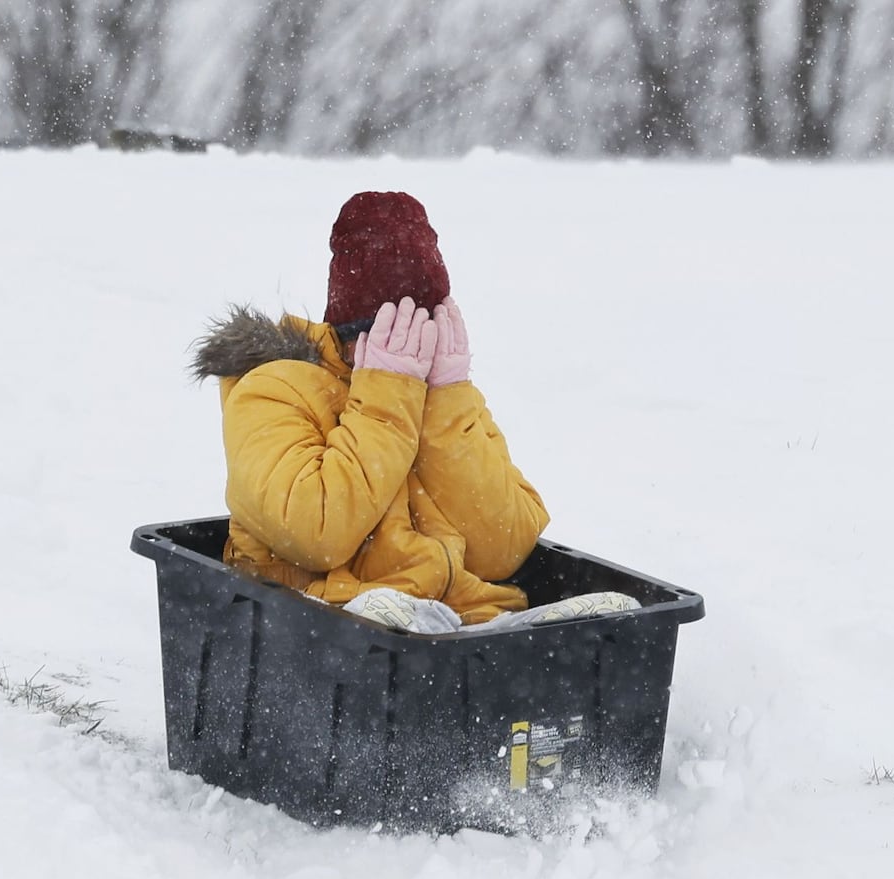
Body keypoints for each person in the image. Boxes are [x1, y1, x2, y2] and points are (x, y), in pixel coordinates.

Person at [190, 191, 634, 632]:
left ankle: (508, 632)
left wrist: (447, 400)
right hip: (330, 618)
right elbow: (316, 534)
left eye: (427, 329)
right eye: (392, 330)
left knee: (483, 627)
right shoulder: (272, 389)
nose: (415, 349)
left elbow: (505, 547)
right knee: (388, 619)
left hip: (456, 617)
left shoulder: (438, 394)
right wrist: (385, 393)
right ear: (350, 330)